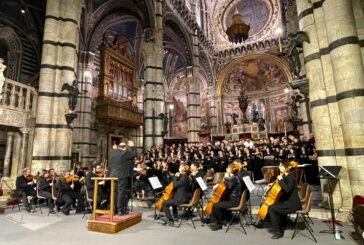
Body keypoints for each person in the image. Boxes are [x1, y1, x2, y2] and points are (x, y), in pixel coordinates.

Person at [254, 159, 302, 239]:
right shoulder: (285, 176)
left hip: (292, 204)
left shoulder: (291, 177)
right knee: (270, 205)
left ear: (286, 167)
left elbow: (287, 189)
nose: (279, 167)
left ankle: (278, 231)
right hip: (286, 201)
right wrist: (270, 185)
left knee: (271, 208)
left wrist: (281, 180)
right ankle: (280, 223)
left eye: (280, 165)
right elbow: (279, 186)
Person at [210, 162, 242, 231]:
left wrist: (226, 177)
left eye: (227, 168)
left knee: (215, 206)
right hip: (232, 199)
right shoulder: (234, 177)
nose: (226, 169)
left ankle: (219, 223)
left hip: (234, 201)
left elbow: (230, 186)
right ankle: (216, 221)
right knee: (216, 203)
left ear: (230, 169)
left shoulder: (235, 177)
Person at [108, 140, 137, 215]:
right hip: (121, 175)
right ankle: (120, 210)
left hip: (112, 176)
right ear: (124, 148)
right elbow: (134, 154)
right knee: (121, 192)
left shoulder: (112, 153)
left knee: (114, 192)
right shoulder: (125, 153)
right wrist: (133, 146)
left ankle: (114, 210)